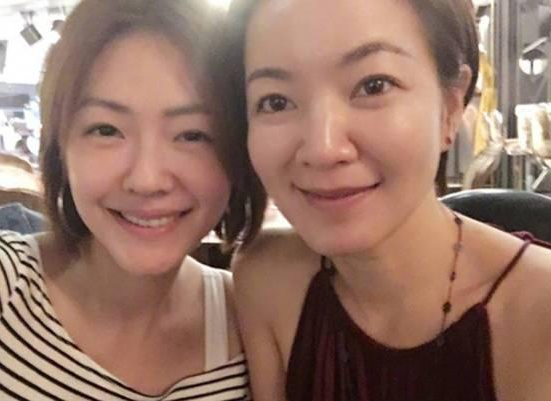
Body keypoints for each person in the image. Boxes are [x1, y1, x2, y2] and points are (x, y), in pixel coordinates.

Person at [217, 0, 551, 400]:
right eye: (276, 101)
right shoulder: (267, 279)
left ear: (450, 106)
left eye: (374, 85)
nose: (324, 149)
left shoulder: (539, 316)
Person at [0, 1, 265, 400]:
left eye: (193, 134)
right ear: (60, 145)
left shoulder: (254, 321)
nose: (147, 180)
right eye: (106, 130)